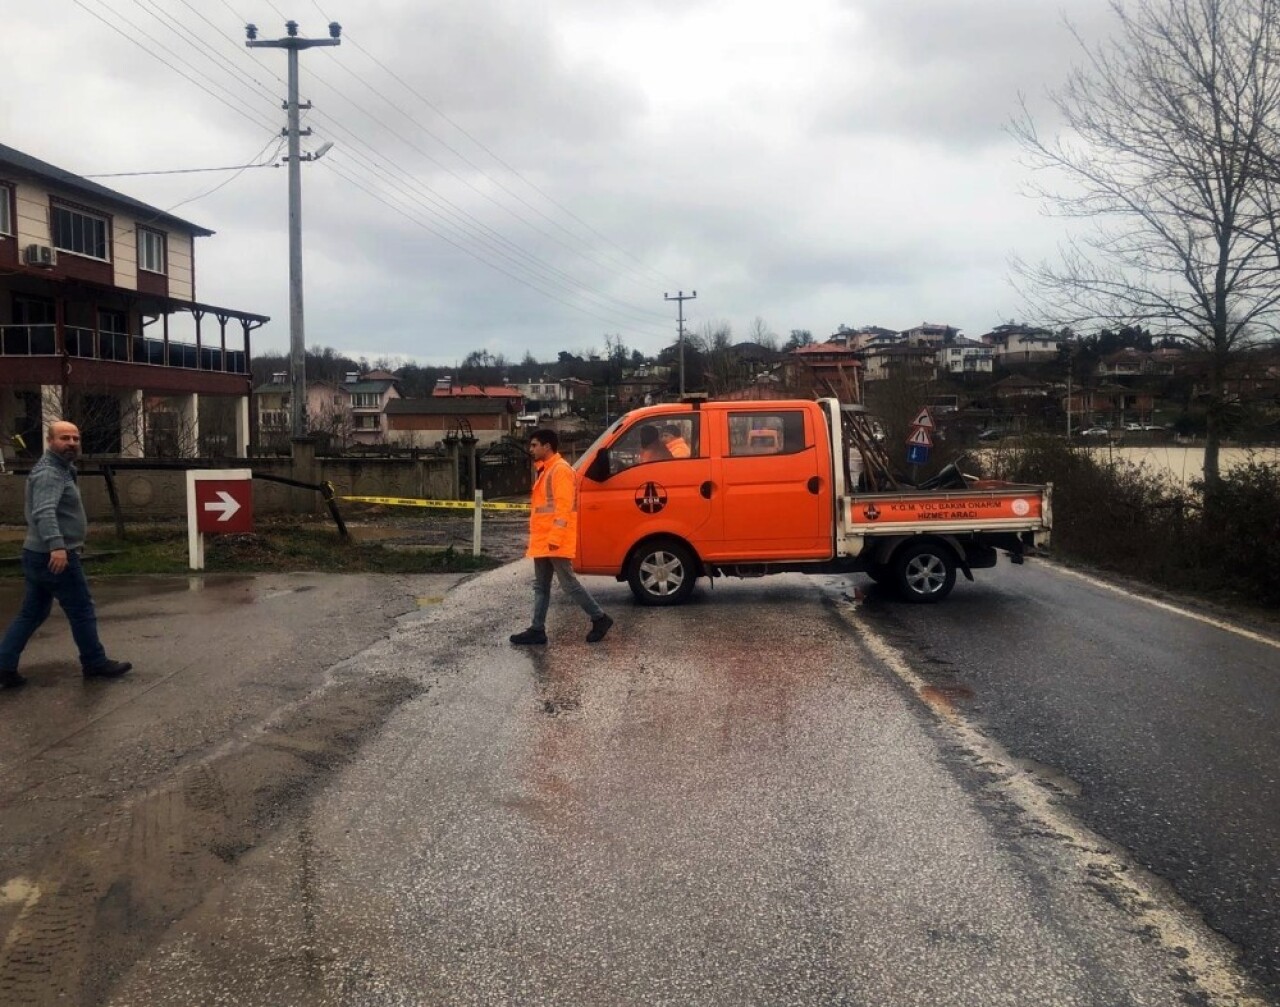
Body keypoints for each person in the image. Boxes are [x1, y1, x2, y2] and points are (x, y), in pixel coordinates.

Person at [0, 421, 132, 688]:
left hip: (37, 554)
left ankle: (3, 668)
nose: (71, 443)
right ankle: (94, 662)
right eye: (64, 438)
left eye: (75, 438)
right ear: (50, 441)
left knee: (32, 614)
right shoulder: (50, 473)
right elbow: (44, 512)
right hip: (53, 555)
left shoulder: (60, 469)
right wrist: (57, 546)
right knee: (82, 609)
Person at [510, 429, 614, 646]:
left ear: (547, 446)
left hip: (554, 540)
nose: (531, 449)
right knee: (541, 586)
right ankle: (537, 629)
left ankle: (600, 618)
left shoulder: (560, 470)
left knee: (569, 584)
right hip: (544, 541)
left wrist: (555, 538)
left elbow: (564, 508)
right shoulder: (546, 470)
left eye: (534, 445)